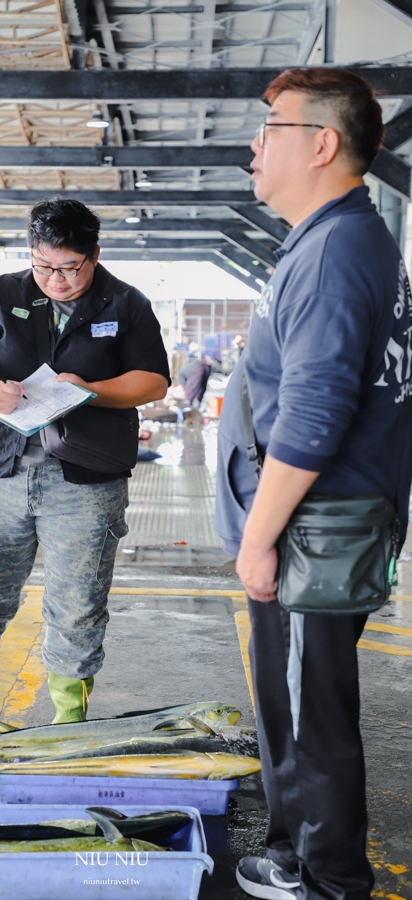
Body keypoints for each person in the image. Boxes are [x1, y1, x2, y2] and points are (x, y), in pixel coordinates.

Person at [215, 68, 412, 900]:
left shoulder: (335, 250)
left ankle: (327, 878)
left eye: (271, 129)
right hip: (317, 521)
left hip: (313, 528)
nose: (254, 148)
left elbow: (318, 410)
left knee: (309, 712)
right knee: (296, 703)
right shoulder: (333, 236)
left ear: (322, 143)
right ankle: (297, 851)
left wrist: (259, 538)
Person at [0, 198, 170, 757]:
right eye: (43, 266)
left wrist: (91, 390)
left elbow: (153, 382)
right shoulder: (5, 291)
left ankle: (68, 723)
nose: (55, 279)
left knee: (77, 603)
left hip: (86, 478)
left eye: (69, 267)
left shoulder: (126, 302)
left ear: (94, 256)